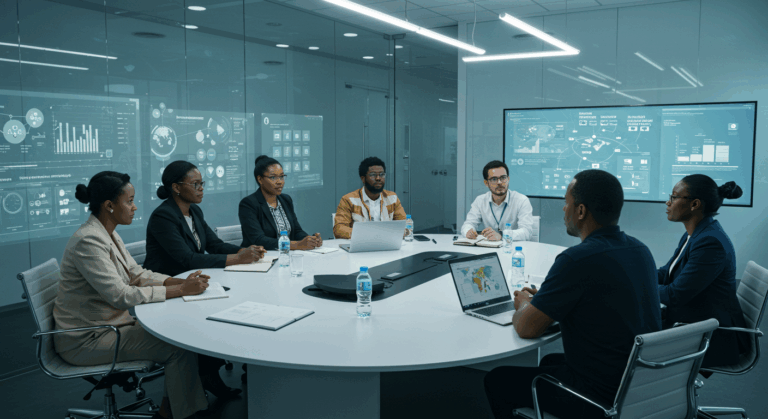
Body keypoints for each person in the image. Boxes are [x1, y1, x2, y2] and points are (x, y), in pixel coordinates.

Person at [484, 169, 661, 418]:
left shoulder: (576, 259)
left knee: (498, 380)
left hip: (598, 395)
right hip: (638, 382)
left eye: (566, 203)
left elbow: (526, 328)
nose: (563, 210)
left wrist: (524, 303)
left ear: (580, 211)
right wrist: (546, 301)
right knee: (548, 363)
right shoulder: (640, 250)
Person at [53, 171, 209, 419]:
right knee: (179, 347)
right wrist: (179, 290)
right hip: (87, 340)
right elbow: (120, 296)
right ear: (109, 206)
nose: (135, 207)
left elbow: (135, 273)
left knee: (180, 333)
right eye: (130, 201)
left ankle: (175, 409)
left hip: (109, 327)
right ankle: (175, 414)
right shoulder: (88, 241)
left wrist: (177, 281)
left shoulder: (107, 232)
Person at [144, 160, 266, 397]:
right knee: (216, 313)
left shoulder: (194, 211)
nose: (201, 188)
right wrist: (237, 259)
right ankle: (206, 375)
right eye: (196, 183)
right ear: (176, 187)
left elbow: (214, 244)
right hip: (171, 286)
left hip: (191, 283)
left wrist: (244, 251)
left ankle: (209, 372)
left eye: (202, 183)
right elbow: (187, 259)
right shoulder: (164, 216)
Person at [658, 174, 748, 368]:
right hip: (693, 322)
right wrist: (636, 275)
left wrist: (637, 286)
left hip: (708, 337)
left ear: (694, 204)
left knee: (623, 336)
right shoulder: (696, 233)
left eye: (674, 197)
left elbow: (675, 295)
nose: (668, 202)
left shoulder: (710, 242)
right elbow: (667, 273)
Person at [239, 155, 322, 250]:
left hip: (286, 255)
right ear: (260, 179)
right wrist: (296, 245)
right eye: (273, 177)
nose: (280, 182)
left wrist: (310, 240)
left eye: (282, 176)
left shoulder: (286, 200)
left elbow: (296, 231)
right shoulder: (248, 204)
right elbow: (258, 240)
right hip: (261, 258)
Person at [333, 156, 406, 239]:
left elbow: (404, 224)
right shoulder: (348, 200)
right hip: (360, 247)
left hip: (387, 246)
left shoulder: (392, 198)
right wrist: (369, 235)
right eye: (373, 175)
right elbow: (339, 229)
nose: (378, 178)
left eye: (381, 174)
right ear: (363, 179)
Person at [460, 160, 533, 241]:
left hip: (513, 247)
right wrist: (468, 231)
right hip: (489, 247)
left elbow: (527, 232)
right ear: (486, 183)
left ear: (508, 179)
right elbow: (468, 224)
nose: (499, 182)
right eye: (494, 179)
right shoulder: (480, 200)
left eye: (503, 178)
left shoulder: (521, 200)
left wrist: (502, 235)